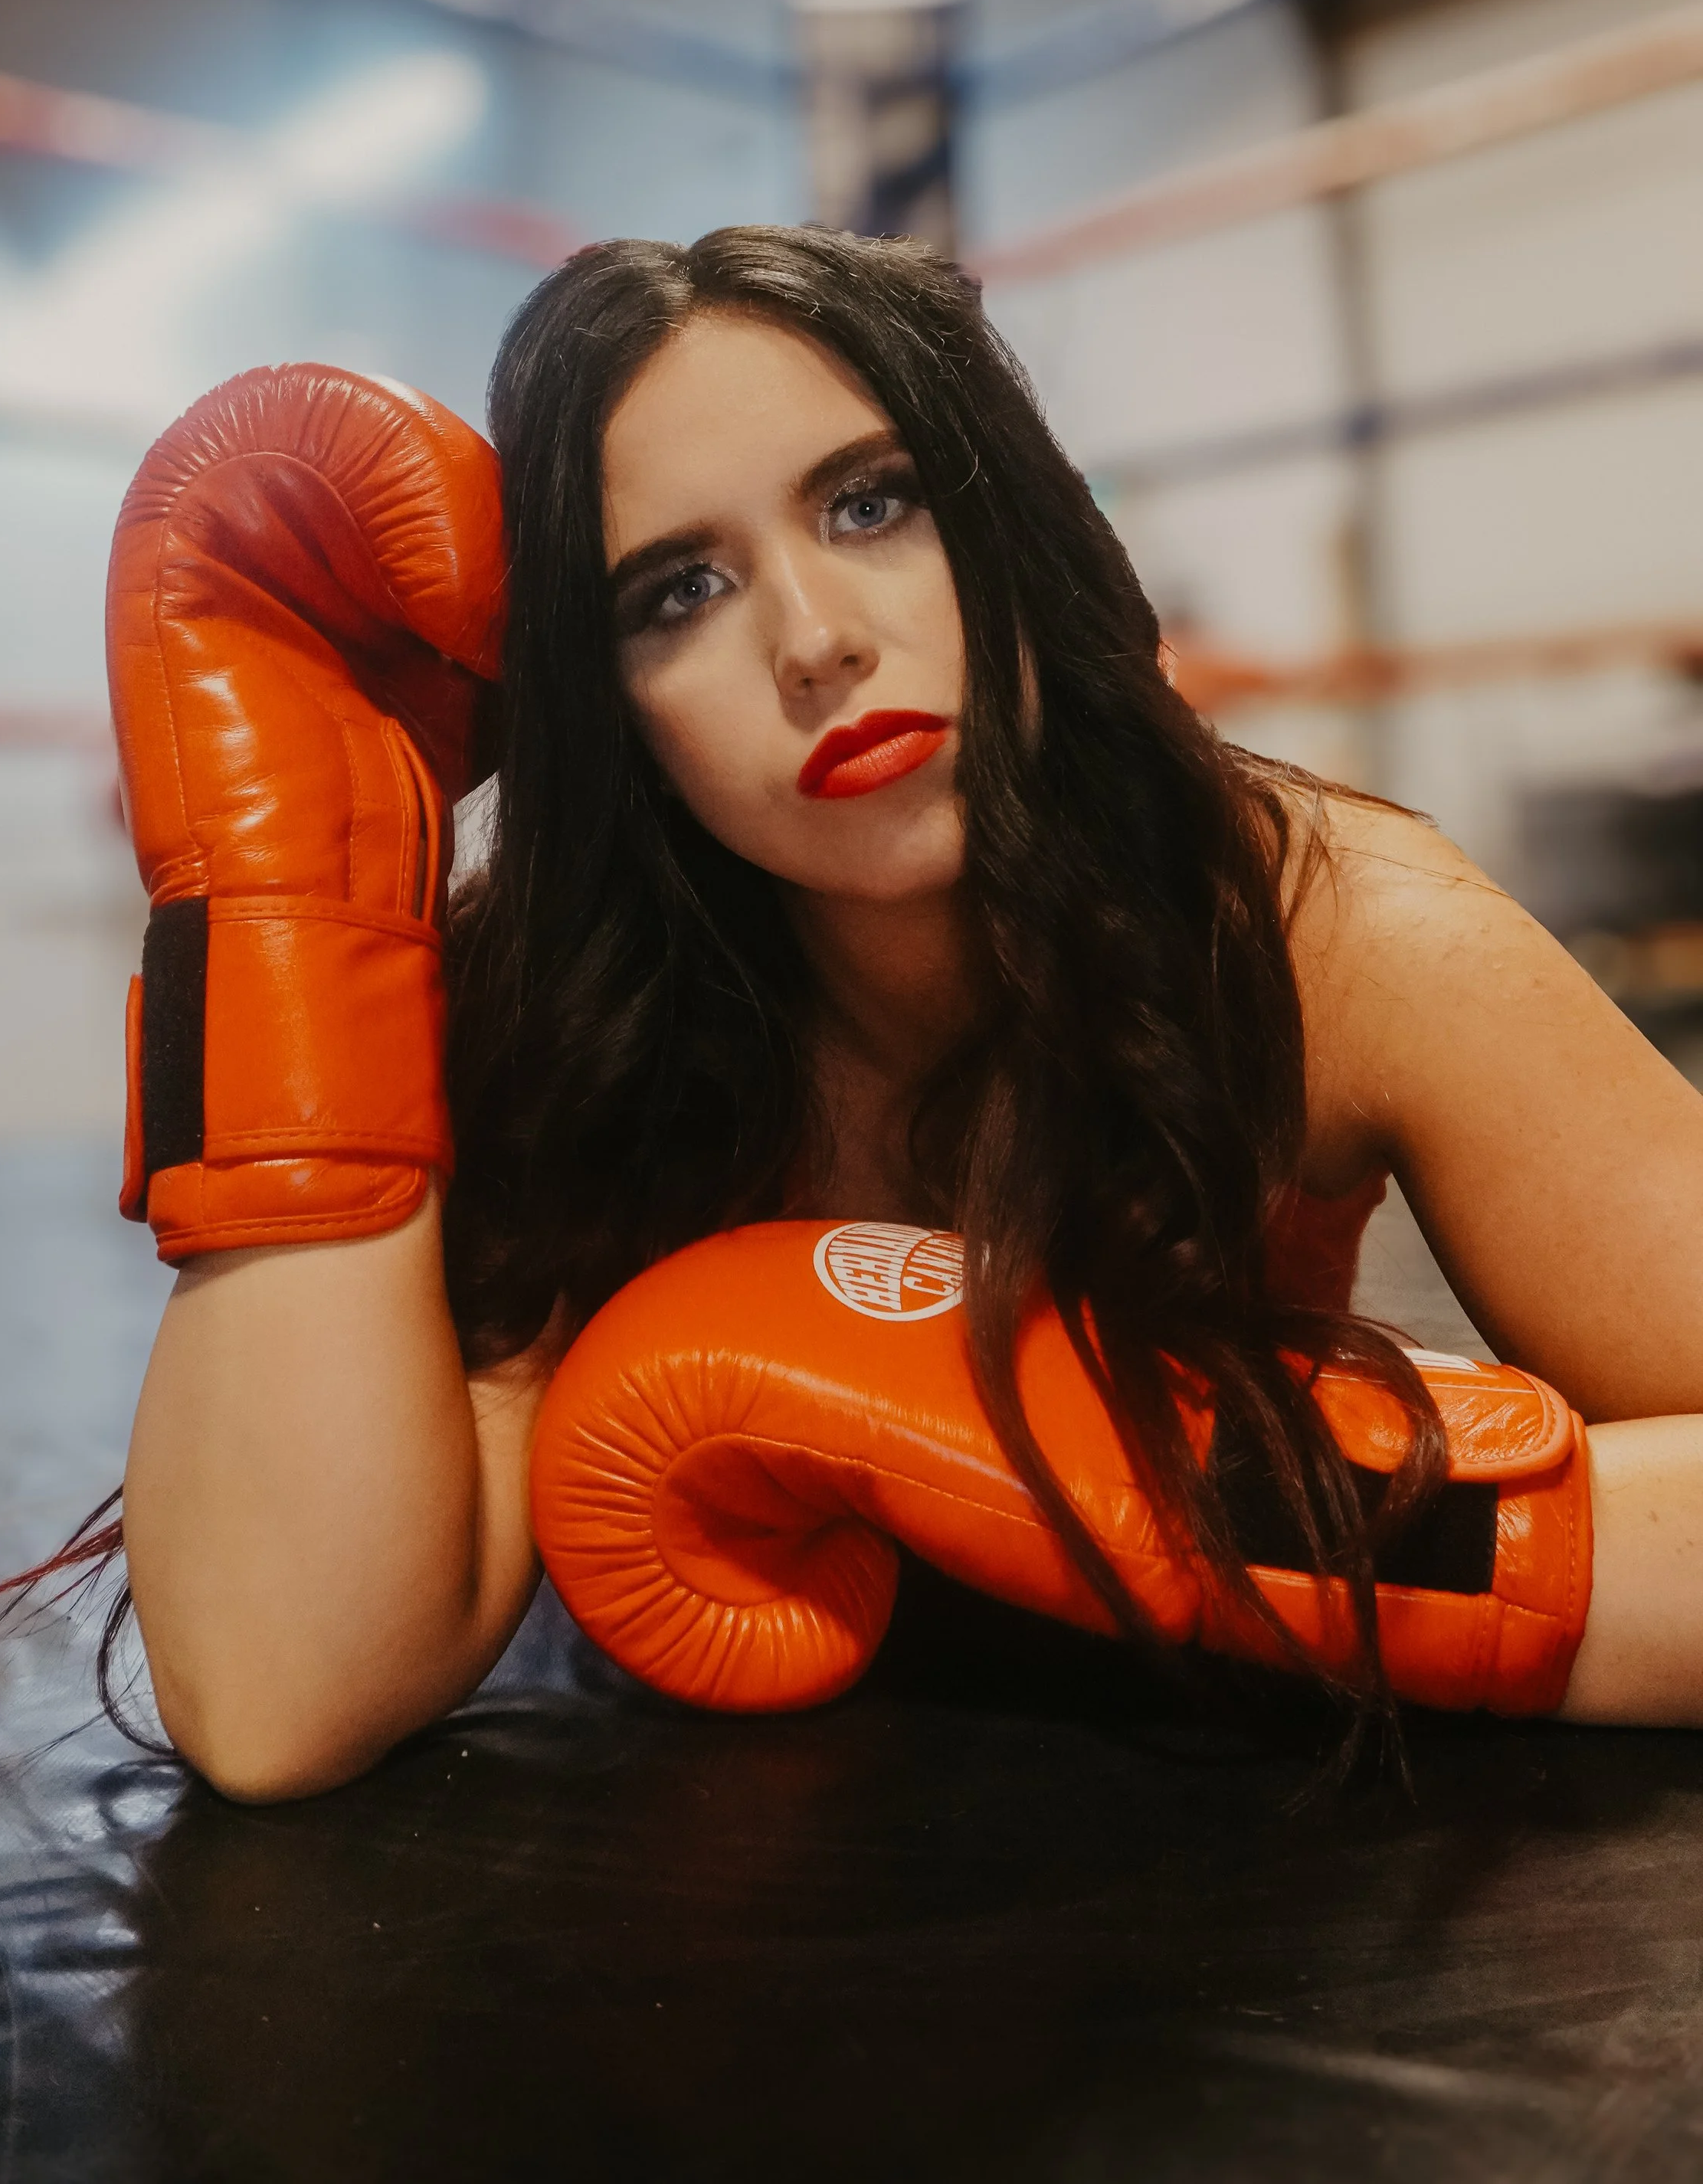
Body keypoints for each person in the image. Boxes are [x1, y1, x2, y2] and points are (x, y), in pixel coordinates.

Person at [106, 226, 1703, 1801]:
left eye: (869, 505)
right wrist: (278, 894)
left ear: (1002, 524)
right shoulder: (579, 1028)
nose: (814, 642)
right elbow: (274, 1692)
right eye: (674, 593)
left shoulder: (1316, 930)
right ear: (603, 709)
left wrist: (1160, 1477)